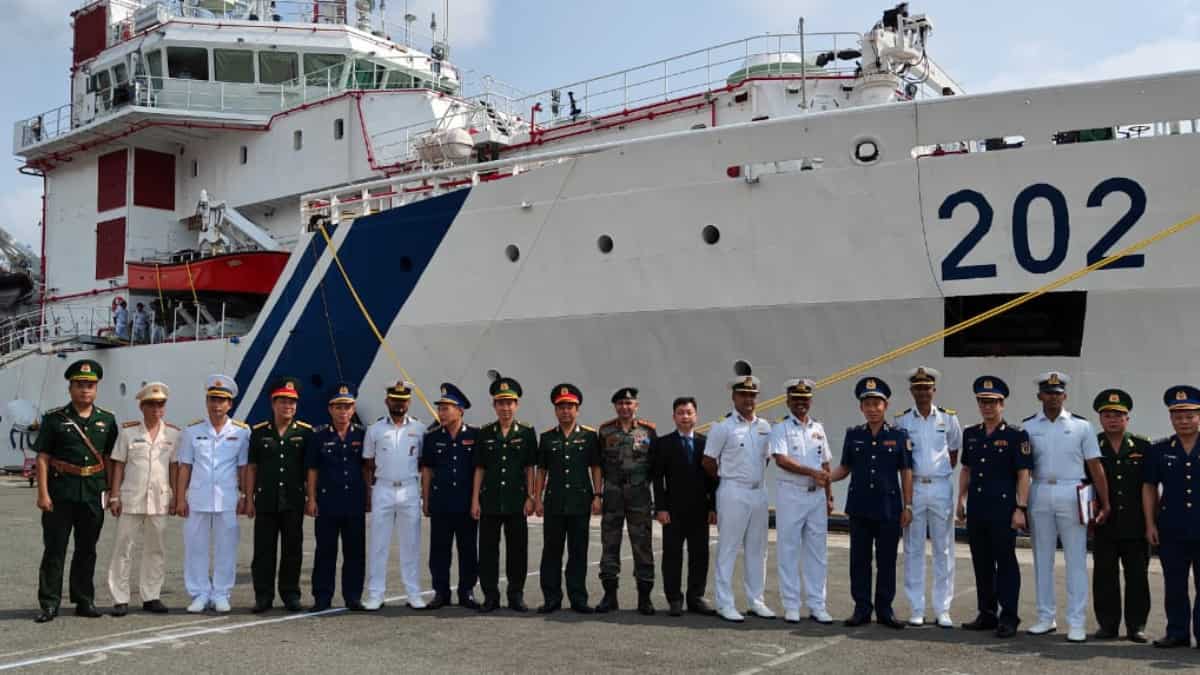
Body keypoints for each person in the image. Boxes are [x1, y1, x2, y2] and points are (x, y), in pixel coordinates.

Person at [1023, 371, 1111, 643]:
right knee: (1042, 559)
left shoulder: (1081, 426)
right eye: (1048, 392)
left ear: (1065, 395)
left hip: (1073, 490)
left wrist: (1105, 502)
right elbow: (1023, 468)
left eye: (1058, 392)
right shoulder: (1027, 426)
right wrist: (1022, 503)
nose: (1053, 397)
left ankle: (1076, 621)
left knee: (1075, 559)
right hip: (1039, 490)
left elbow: (1095, 465)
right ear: (1039, 396)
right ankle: (1045, 617)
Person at [34, 359, 119, 623]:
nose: (85, 390)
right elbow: (43, 458)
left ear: (96, 389)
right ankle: (49, 603)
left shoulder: (107, 420)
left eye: (90, 386)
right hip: (61, 492)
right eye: (80, 385)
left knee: (87, 549)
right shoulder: (54, 419)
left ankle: (84, 600)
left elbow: (110, 458)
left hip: (92, 492)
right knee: (55, 549)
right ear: (70, 388)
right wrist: (43, 493)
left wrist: (110, 492)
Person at [830, 376, 913, 629]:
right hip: (860, 508)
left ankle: (885, 610)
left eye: (877, 404)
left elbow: (906, 471)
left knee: (887, 561)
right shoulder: (853, 435)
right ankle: (862, 609)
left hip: (889, 508)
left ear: (885, 406)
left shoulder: (899, 436)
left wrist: (908, 505)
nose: (872, 409)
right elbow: (844, 468)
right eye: (867, 404)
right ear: (861, 408)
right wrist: (824, 479)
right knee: (859, 560)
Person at [956, 376, 1031, 638]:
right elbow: (966, 469)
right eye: (982, 402)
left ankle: (1009, 617)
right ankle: (987, 613)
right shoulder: (971, 434)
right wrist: (960, 500)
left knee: (1006, 562)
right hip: (977, 508)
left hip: (1003, 509)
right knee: (982, 562)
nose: (987, 407)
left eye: (992, 402)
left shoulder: (1015, 435)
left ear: (1002, 404)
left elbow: (1023, 474)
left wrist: (1020, 508)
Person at [702, 368, 774, 623]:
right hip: (733, 491)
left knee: (758, 549)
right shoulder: (723, 427)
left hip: (758, 492)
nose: (748, 400)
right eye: (743, 395)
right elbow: (708, 460)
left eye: (752, 395)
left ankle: (756, 600)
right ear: (733, 397)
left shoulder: (765, 426)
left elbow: (765, 459)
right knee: (729, 548)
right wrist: (727, 477)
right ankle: (725, 602)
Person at [175, 375, 251, 614]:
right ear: (207, 402)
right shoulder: (192, 431)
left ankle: (221, 593)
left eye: (222, 400)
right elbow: (185, 465)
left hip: (227, 498)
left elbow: (244, 468)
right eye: (212, 400)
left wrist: (246, 497)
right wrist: (179, 498)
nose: (217, 405)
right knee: (195, 547)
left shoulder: (241, 432)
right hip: (197, 498)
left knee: (226, 548)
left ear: (230, 404)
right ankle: (199, 593)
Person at [893, 366, 961, 627]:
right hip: (914, 487)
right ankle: (917, 607)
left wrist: (938, 472)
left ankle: (943, 608)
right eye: (917, 388)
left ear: (934, 390)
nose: (922, 392)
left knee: (944, 549)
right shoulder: (902, 421)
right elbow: (903, 460)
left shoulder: (948, 419)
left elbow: (953, 452)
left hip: (941, 486)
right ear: (911, 391)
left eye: (926, 387)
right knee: (913, 548)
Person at [106, 382, 179, 616]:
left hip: (159, 499)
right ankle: (120, 597)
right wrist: (114, 495)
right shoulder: (128, 432)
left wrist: (177, 496)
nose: (156, 409)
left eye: (160, 404)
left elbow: (175, 468)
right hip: (131, 497)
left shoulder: (173, 434)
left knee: (155, 549)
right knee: (123, 547)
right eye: (151, 404)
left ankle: (151, 596)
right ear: (142, 406)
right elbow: (118, 464)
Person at [768, 378, 835, 625]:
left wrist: (828, 495)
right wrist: (812, 473)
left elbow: (826, 462)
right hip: (792, 494)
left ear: (810, 402)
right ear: (787, 401)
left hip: (816, 496)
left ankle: (818, 604)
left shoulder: (818, 428)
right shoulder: (781, 428)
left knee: (817, 552)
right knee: (789, 550)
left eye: (804, 400)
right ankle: (792, 605)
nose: (800, 404)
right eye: (796, 400)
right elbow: (781, 460)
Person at [472, 373, 538, 613]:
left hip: (516, 500)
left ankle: (515, 594)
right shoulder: (485, 432)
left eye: (509, 402)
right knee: (488, 550)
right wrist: (475, 500)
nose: (505, 408)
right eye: (501, 403)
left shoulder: (527, 433)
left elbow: (530, 467)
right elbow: (480, 468)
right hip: (489, 500)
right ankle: (490, 595)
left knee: (517, 550)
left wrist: (531, 496)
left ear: (516, 404)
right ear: (494, 405)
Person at [246, 378, 313, 613]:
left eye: (292, 402)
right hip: (266, 499)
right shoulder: (259, 432)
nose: (288, 406)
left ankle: (290, 594)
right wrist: (248, 498)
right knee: (264, 550)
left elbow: (310, 470)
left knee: (292, 549)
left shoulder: (305, 433)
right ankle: (263, 596)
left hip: (293, 499)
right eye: (283, 401)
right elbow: (252, 467)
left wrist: (311, 498)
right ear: (273, 403)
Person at [1090, 388, 1151, 643]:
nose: (1113, 419)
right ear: (1101, 419)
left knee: (1137, 576)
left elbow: (1150, 486)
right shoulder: (1092, 444)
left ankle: (1136, 626)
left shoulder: (1143, 446)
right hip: (1105, 523)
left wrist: (1151, 522)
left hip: (1136, 524)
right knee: (1105, 576)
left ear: (1127, 418)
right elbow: (1084, 482)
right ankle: (1108, 625)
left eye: (1118, 414)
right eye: (1107, 415)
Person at [535, 383, 602, 614]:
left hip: (579, 501)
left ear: (578, 409)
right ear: (555, 410)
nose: (566, 411)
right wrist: (537, 498)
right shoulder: (546, 438)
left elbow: (595, 467)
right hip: (554, 501)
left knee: (578, 551)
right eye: (561, 407)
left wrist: (597, 495)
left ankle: (578, 598)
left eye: (570, 406)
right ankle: (551, 598)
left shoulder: (589, 436)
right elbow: (541, 471)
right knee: (551, 551)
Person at [1142, 385, 1200, 648]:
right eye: (1178, 416)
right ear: (1171, 418)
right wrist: (1150, 523)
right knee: (1174, 584)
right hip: (1172, 527)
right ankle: (1177, 632)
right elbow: (1150, 487)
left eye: (1189, 415)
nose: (1184, 421)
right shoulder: (1159, 449)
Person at [363, 380, 427, 611]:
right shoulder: (375, 429)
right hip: (383, 488)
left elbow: (422, 462)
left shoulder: (419, 429)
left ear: (408, 402)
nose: (399, 404)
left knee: (410, 544)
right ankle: (375, 594)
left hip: (410, 488)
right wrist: (368, 495)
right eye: (395, 400)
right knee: (379, 544)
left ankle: (413, 593)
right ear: (387, 401)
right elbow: (368, 464)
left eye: (403, 401)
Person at [305, 384, 369, 612]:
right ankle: (322, 597)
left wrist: (368, 497)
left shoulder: (362, 434)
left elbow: (366, 469)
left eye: (348, 407)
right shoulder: (319, 436)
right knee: (325, 551)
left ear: (353, 410)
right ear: (330, 409)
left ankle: (353, 596)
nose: (343, 411)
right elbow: (312, 470)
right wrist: (311, 499)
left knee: (355, 552)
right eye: (339, 407)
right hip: (327, 501)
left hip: (354, 501)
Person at [652, 396, 717, 617]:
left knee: (700, 554)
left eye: (689, 412)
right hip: (673, 510)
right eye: (680, 413)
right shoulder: (663, 443)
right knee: (672, 555)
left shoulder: (706, 443)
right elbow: (658, 480)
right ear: (674, 417)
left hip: (700, 509)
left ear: (696, 416)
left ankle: (696, 597)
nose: (685, 417)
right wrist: (660, 508)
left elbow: (714, 479)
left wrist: (713, 507)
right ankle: (674, 599)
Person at [596, 387, 658, 615]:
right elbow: (599, 465)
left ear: (636, 406)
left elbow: (653, 464)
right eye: (620, 403)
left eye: (629, 403)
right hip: (612, 496)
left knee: (642, 546)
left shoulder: (648, 432)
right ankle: (609, 596)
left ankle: (644, 598)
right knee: (609, 545)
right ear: (615, 406)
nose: (625, 407)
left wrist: (640, 484)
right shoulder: (605, 432)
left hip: (639, 497)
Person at [420, 383, 480, 610]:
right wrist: (425, 500)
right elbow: (427, 470)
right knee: (439, 550)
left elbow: (478, 470)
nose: (442, 412)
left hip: (466, 503)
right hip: (441, 502)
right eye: (441, 408)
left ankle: (467, 591)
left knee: (467, 550)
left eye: (447, 408)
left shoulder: (475, 435)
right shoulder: (432, 437)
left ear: (460, 410)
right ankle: (441, 592)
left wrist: (476, 500)